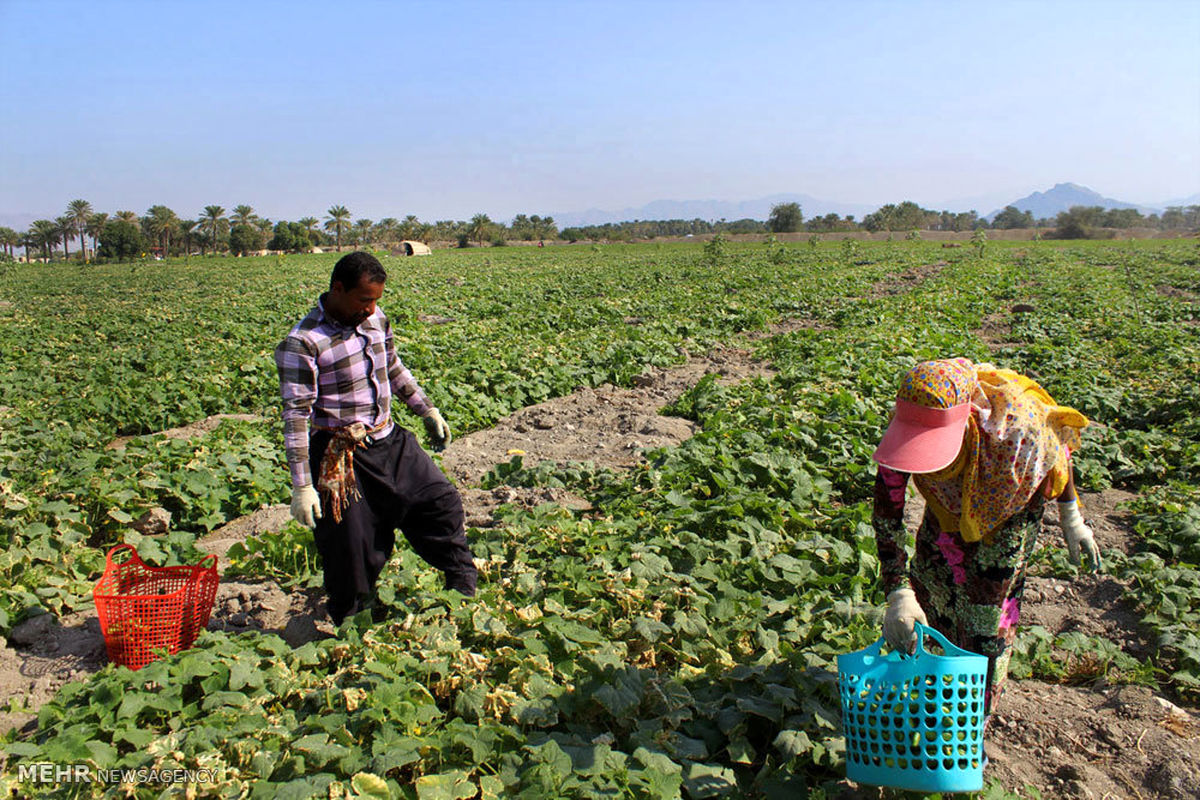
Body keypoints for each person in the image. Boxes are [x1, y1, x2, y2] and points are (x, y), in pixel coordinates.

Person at [871, 357, 1100, 717]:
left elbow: (1056, 448)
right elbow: (887, 513)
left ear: (967, 425)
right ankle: (928, 688)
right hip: (947, 515)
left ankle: (972, 719)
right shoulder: (905, 431)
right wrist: (899, 591)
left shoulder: (1017, 436)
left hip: (1009, 514)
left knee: (984, 621)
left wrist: (1071, 516)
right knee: (931, 589)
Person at [275, 251, 477, 624]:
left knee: (439, 501)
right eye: (364, 299)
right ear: (338, 289)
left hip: (389, 439)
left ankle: (462, 584)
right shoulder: (303, 343)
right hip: (340, 455)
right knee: (351, 548)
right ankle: (353, 623)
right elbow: (296, 417)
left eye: (376, 301)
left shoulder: (375, 320)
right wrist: (302, 486)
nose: (371, 309)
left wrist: (426, 409)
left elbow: (393, 367)